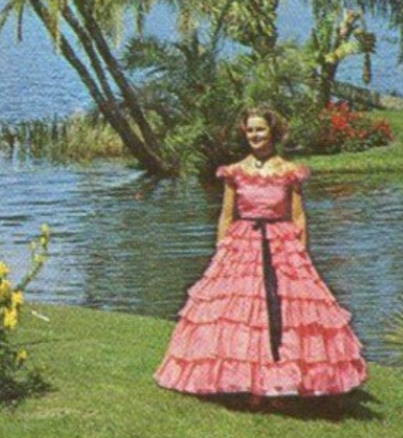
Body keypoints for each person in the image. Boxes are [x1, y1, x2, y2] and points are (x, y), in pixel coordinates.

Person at [154, 108, 366, 398]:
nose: (254, 135)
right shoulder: (235, 172)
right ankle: (242, 380)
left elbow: (299, 216)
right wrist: (221, 252)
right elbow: (226, 215)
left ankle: (286, 379)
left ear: (273, 132)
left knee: (291, 312)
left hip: (282, 243)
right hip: (243, 244)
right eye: (250, 130)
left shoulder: (289, 171)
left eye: (260, 130)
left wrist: (301, 253)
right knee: (239, 315)